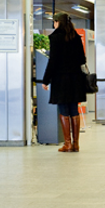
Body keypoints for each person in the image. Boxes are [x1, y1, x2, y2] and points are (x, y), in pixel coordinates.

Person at [42, 13, 86, 153]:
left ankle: (67, 143)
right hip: (75, 79)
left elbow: (53, 60)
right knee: (74, 109)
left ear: (57, 22)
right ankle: (76, 144)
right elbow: (82, 59)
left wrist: (46, 79)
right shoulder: (76, 37)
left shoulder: (55, 38)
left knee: (63, 110)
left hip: (61, 79)